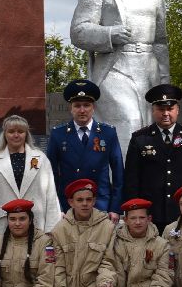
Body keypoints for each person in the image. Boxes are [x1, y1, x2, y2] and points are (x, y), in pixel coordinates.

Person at [70, 0, 171, 144]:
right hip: (116, 68)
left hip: (149, 68)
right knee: (128, 122)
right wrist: (108, 33)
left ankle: (145, 178)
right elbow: (78, 31)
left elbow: (161, 40)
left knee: (150, 128)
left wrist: (164, 76)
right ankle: (120, 178)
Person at [122, 84, 182, 231]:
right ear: (153, 110)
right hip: (151, 213)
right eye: (161, 109)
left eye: (170, 109)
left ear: (177, 110)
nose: (165, 113)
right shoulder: (140, 138)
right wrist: (134, 210)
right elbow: (132, 179)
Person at [45, 79, 125, 217]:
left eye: (86, 105)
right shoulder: (58, 134)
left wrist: (115, 208)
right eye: (77, 105)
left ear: (93, 107)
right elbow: (50, 174)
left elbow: (118, 173)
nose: (82, 110)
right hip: (69, 203)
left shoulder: (108, 133)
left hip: (100, 203)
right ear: (71, 108)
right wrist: (56, 207)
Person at [0, 114, 62, 237]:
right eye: (11, 131)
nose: (16, 135)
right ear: (5, 134)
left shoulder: (41, 159)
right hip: (3, 223)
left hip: (36, 222)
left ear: (26, 134)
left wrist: (52, 227)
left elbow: (51, 194)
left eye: (20, 131)